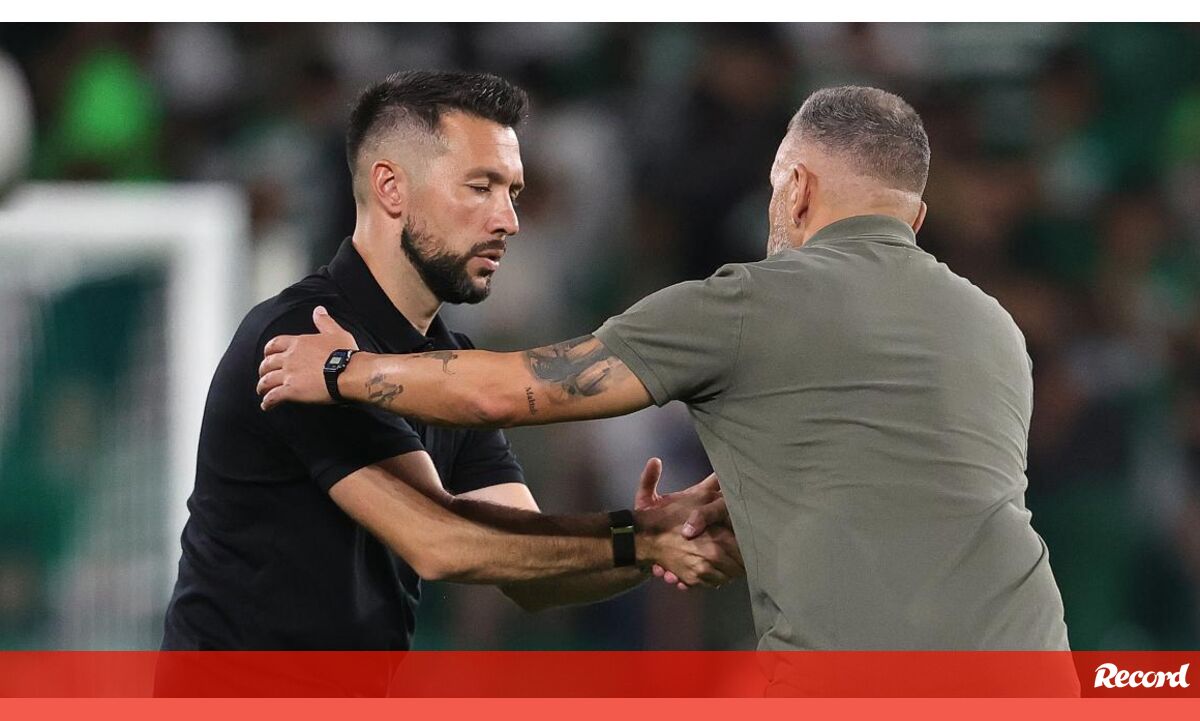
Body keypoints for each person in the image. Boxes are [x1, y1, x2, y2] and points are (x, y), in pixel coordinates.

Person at [258, 86, 1073, 655]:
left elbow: (505, 389)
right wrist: (688, 526)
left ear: (796, 189)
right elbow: (912, 499)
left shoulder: (752, 302)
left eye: (774, 187)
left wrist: (341, 368)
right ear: (915, 216)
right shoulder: (994, 327)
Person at [161, 70, 742, 674]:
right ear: (391, 187)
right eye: (480, 187)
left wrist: (658, 538)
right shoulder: (306, 340)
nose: (508, 220)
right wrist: (639, 538)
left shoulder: (446, 364)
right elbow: (439, 541)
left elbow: (532, 573)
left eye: (512, 192)